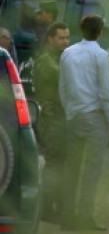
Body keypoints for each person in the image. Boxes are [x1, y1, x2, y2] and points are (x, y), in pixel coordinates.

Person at [59, 14, 109, 231]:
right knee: (92, 170)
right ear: (100, 32)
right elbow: (105, 91)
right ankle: (85, 217)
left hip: (74, 115)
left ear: (81, 30)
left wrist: (69, 111)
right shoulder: (101, 55)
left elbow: (62, 87)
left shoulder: (67, 53)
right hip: (95, 115)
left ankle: (68, 217)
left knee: (71, 168)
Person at [33, 21, 71, 223]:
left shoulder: (58, 57)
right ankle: (48, 209)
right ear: (50, 39)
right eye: (61, 38)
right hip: (52, 118)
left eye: (67, 37)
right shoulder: (48, 61)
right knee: (55, 164)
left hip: (59, 117)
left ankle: (54, 207)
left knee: (60, 163)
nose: (66, 41)